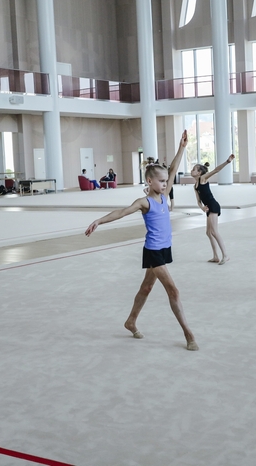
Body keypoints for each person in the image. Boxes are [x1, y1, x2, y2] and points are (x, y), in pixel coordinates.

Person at [84, 131, 198, 351]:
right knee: (173, 291)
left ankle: (131, 321)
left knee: (146, 288)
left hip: (165, 248)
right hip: (154, 251)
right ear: (149, 181)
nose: (166, 184)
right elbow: (122, 212)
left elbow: (173, 169)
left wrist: (182, 148)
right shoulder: (144, 202)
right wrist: (99, 220)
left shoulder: (164, 196)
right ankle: (188, 334)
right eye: (161, 181)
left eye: (166, 181)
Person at [192, 154, 235, 265]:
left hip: (213, 205)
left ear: (199, 172)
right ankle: (215, 256)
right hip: (208, 208)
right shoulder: (195, 185)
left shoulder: (203, 179)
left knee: (214, 232)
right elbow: (198, 201)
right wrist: (202, 207)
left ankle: (225, 255)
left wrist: (227, 161)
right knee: (208, 232)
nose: (192, 171)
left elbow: (216, 170)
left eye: (194, 169)